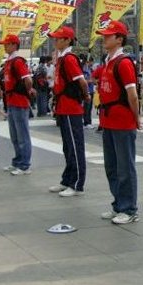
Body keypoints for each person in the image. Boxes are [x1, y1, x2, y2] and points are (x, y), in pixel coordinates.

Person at [96, 20, 140, 225]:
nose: (105, 38)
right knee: (112, 167)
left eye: (109, 35)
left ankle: (129, 209)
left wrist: (136, 118)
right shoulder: (108, 62)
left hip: (122, 122)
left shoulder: (123, 62)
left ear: (119, 39)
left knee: (125, 167)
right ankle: (118, 204)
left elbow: (132, 94)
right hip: (109, 122)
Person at [48, 26, 89, 197]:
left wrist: (85, 97)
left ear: (67, 40)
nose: (55, 41)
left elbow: (82, 82)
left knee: (75, 146)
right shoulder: (61, 58)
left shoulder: (69, 59)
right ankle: (67, 180)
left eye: (58, 38)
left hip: (71, 108)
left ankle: (77, 183)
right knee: (67, 147)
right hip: (63, 107)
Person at [0, 34, 35, 175]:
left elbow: (28, 79)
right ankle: (17, 161)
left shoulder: (18, 61)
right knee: (14, 135)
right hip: (11, 101)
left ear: (14, 45)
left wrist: (29, 90)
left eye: (7, 44)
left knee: (22, 135)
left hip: (19, 101)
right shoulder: (9, 61)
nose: (5, 47)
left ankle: (24, 165)